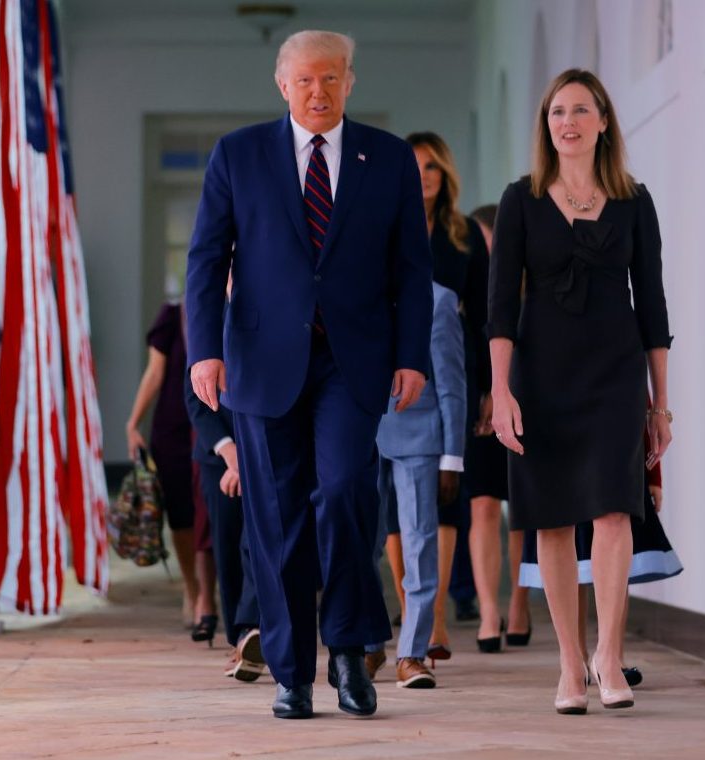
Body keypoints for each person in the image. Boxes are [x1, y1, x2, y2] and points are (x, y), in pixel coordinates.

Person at [186, 30, 433, 720]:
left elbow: (412, 268)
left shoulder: (387, 158)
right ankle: (291, 671)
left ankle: (349, 649)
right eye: (304, 80)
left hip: (352, 362)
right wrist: (204, 350)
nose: (317, 91)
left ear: (350, 81)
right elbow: (206, 258)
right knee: (276, 514)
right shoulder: (238, 154)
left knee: (348, 492)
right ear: (282, 85)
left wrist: (411, 354)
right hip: (261, 362)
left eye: (330, 78)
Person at [487, 68, 672, 715]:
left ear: (603, 122)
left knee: (616, 510)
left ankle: (608, 656)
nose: (568, 122)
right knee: (553, 517)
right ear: (547, 126)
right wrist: (500, 391)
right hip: (541, 375)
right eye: (557, 112)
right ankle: (570, 663)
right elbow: (499, 309)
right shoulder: (520, 200)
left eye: (580, 110)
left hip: (615, 375)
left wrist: (660, 404)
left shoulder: (633, 201)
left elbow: (653, 307)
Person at [516, 403, 683, 687]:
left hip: (610, 428)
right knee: (574, 555)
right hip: (562, 433)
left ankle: (613, 655)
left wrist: (653, 474)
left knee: (616, 548)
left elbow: (641, 401)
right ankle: (576, 656)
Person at [369, 274, 465, 689]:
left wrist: (452, 456)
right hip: (360, 431)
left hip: (420, 437)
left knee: (421, 543)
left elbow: (452, 382)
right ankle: (368, 643)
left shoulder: (439, 300)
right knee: (359, 542)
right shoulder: (355, 288)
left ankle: (412, 652)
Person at [125, 301, 217, 641]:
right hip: (172, 429)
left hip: (213, 422)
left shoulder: (229, 308)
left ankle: (210, 593)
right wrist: (133, 422)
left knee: (210, 512)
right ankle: (193, 589)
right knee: (181, 515)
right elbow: (154, 373)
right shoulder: (171, 316)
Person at [464, 202, 532, 652]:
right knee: (484, 505)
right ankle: (489, 610)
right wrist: (482, 393)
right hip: (480, 402)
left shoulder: (526, 286)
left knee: (523, 509)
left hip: (526, 398)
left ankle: (520, 604)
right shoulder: (471, 290)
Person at [183, 369, 265, 681]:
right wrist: (232, 455)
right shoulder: (205, 339)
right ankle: (239, 639)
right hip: (217, 456)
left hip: (267, 448)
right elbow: (194, 397)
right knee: (227, 545)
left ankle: (254, 629)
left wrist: (249, 458)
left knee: (259, 540)